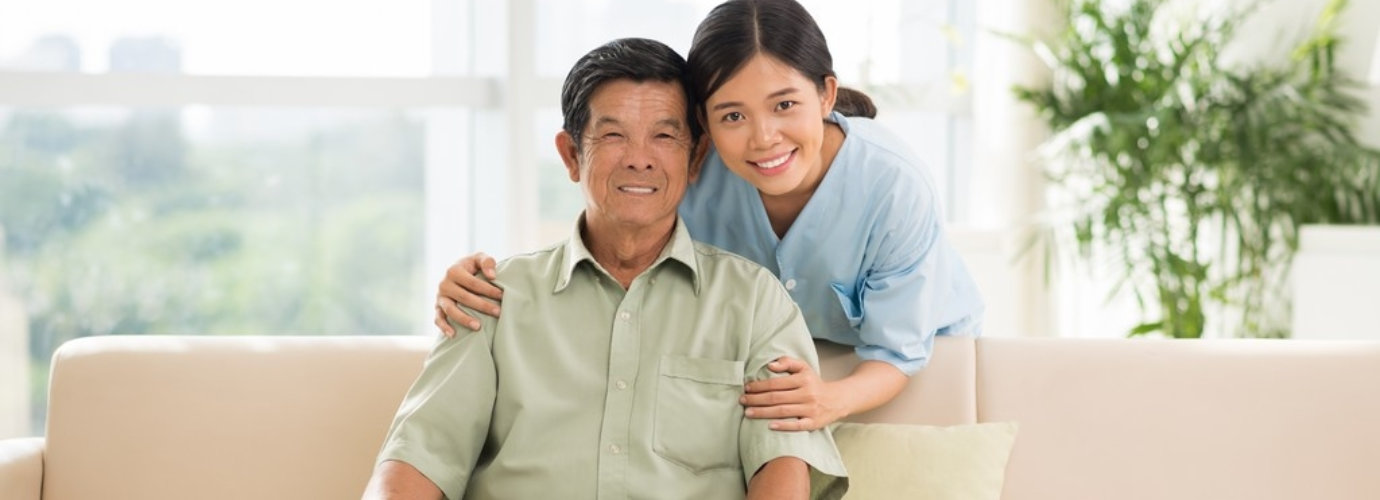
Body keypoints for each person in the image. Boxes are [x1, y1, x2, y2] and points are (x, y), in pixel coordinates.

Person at [435, 0, 983, 432]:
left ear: (826, 94)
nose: (763, 137)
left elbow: (897, 350)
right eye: (733, 115)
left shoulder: (892, 184)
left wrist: (830, 398)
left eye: (785, 104)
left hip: (905, 362)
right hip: (773, 360)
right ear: (703, 123)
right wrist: (482, 285)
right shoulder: (693, 169)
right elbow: (612, 232)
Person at [362, 38, 847, 500]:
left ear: (696, 156)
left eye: (664, 136)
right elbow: (417, 460)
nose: (639, 160)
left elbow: (782, 466)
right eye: (613, 135)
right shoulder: (489, 298)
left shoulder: (754, 299)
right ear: (572, 155)